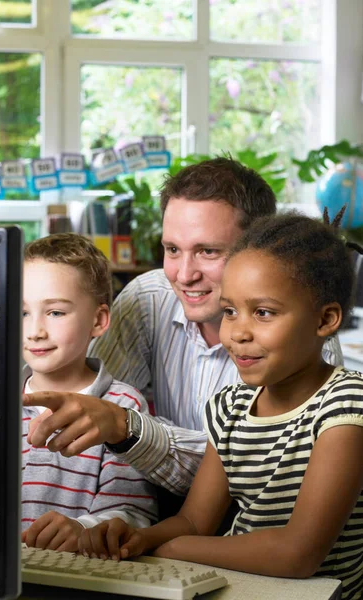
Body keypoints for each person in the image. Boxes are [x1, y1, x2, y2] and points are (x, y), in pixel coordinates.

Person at [78, 211, 363, 600]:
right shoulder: (229, 407)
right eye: (230, 311)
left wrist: (170, 549)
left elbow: (298, 554)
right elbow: (194, 521)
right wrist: (137, 539)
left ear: (325, 319)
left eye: (263, 313)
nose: (238, 332)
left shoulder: (345, 405)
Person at [24, 157, 343, 498]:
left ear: (257, 248)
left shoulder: (308, 341)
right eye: (173, 249)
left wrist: (127, 428)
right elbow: (91, 414)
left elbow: (255, 472)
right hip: (146, 505)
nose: (184, 274)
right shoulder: (148, 297)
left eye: (208, 251)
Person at [21, 233, 157, 552]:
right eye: (23, 311)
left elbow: (133, 513)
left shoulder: (123, 406)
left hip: (78, 574)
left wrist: (81, 530)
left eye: (55, 312)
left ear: (98, 321)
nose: (35, 330)